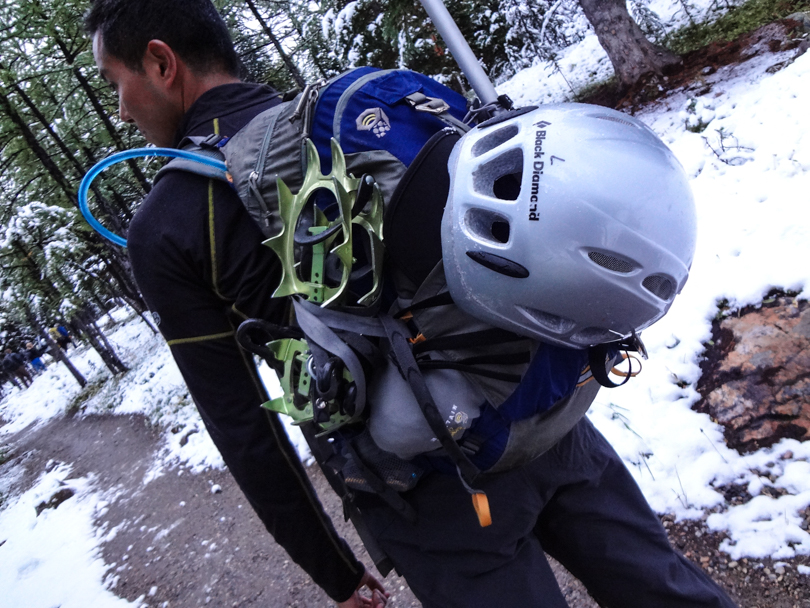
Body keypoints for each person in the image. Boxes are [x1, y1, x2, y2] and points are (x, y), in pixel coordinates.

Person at [84, 1, 738, 607]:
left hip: (430, 493)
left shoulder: (167, 225)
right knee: (665, 590)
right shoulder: (339, 119)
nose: (120, 108)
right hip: (535, 407)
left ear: (161, 63)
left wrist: (335, 573)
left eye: (115, 81)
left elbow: (244, 428)